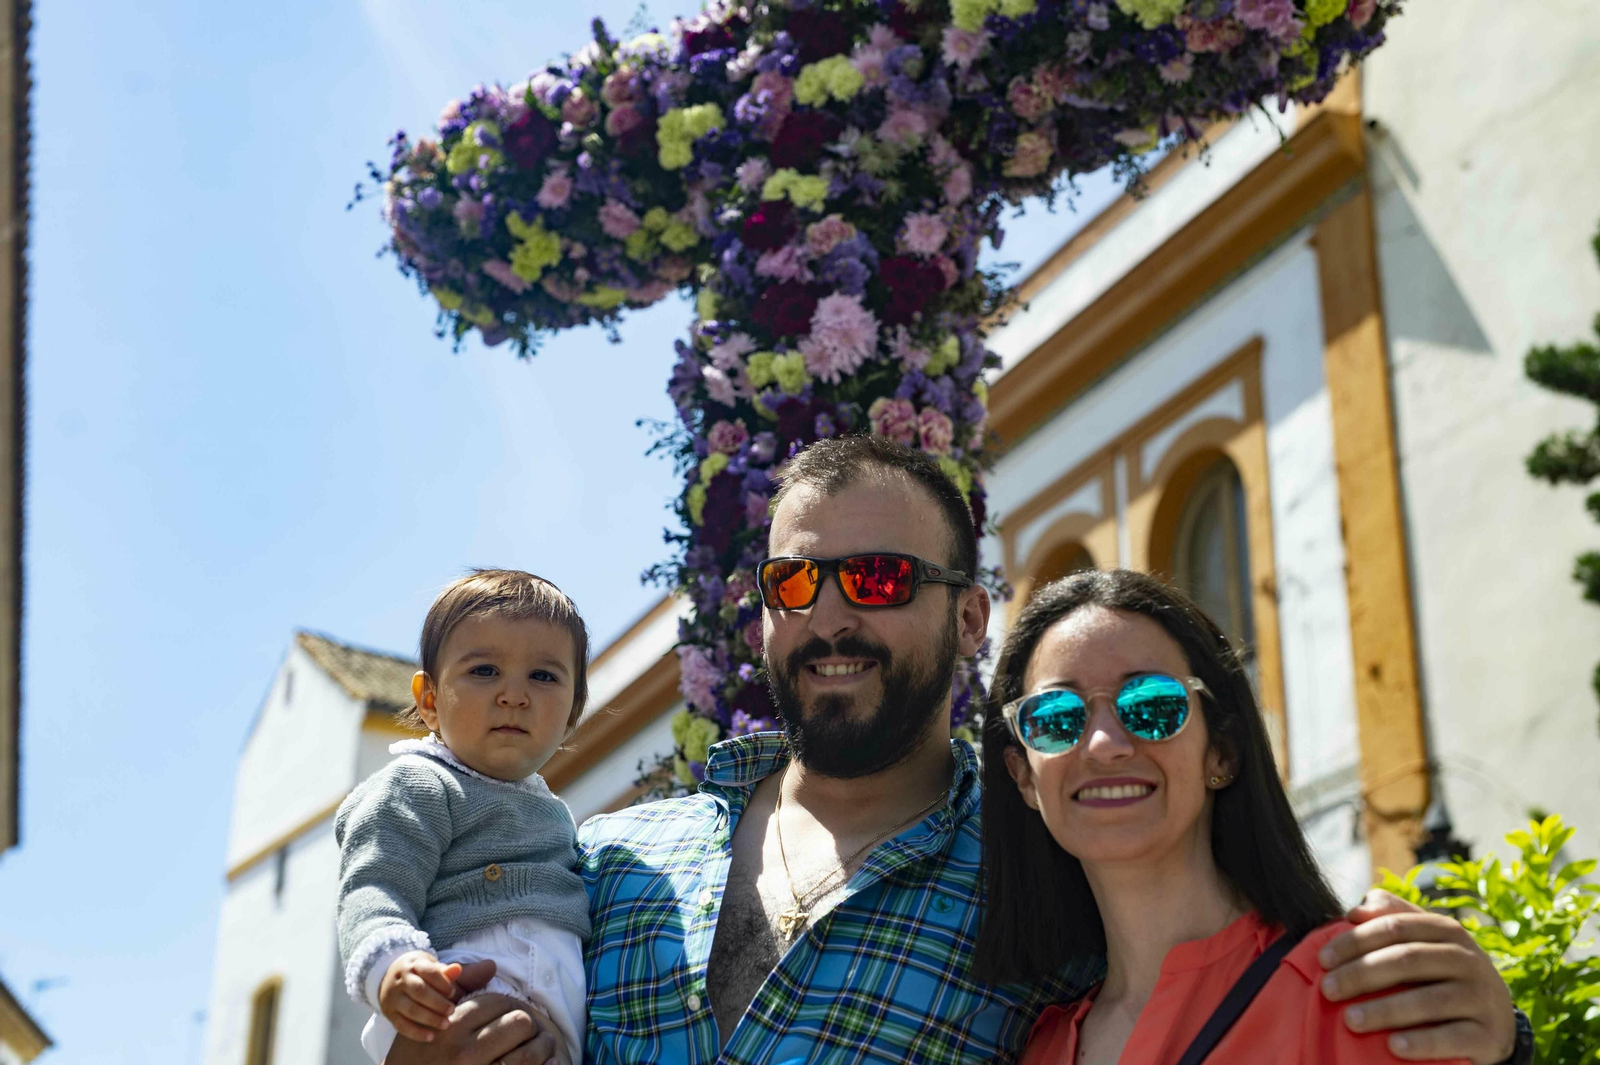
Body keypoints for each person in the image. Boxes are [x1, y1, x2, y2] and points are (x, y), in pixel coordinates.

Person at [385, 436, 1524, 1065]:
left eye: (878, 581)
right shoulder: (607, 856)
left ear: (968, 619)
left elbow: (1215, 980)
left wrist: (1499, 1042)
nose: (833, 617)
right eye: (795, 582)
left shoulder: (1047, 859)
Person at [977, 568, 1484, 1063]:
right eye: (1055, 718)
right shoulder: (1041, 1046)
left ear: (1221, 751)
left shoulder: (1350, 993)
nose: (1105, 744)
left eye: (1152, 703)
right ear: (1023, 775)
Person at [336, 569, 592, 1065]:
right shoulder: (420, 783)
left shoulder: (560, 818)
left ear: (572, 710)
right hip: (452, 1007)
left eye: (543, 676)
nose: (514, 694)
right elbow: (373, 885)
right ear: (430, 700)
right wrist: (393, 965)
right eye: (484, 671)